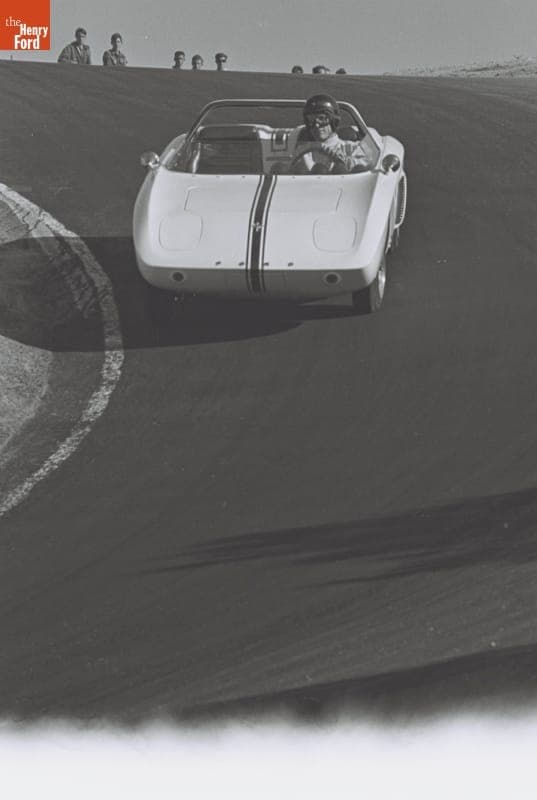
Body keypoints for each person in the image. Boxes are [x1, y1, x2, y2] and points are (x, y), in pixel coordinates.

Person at [292, 94, 369, 174]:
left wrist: (346, 161)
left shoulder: (351, 148)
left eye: (322, 119)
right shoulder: (302, 151)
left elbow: (368, 166)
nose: (316, 125)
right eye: (311, 120)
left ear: (333, 120)